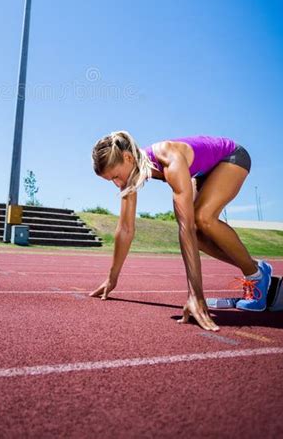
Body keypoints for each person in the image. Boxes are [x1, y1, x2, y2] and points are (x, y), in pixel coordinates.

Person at [90, 131, 273, 332]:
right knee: (199, 234)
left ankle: (255, 276)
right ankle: (257, 268)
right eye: (110, 181)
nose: (117, 183)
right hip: (204, 170)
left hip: (231, 156)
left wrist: (196, 295)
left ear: (128, 157)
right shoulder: (131, 174)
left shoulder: (169, 158)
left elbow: (185, 228)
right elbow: (125, 229)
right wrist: (112, 278)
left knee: (203, 218)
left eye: (116, 176)